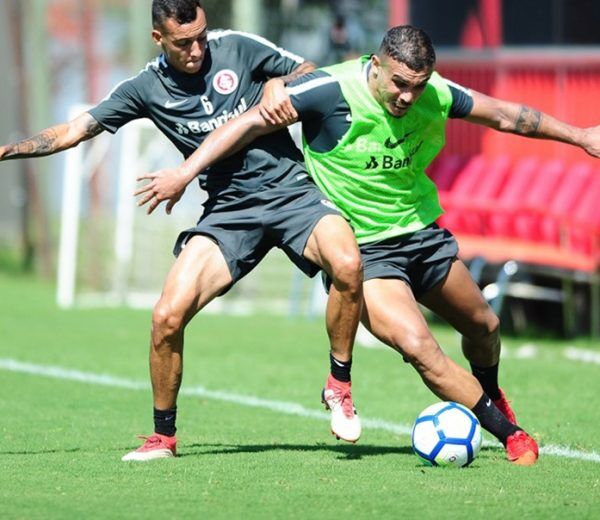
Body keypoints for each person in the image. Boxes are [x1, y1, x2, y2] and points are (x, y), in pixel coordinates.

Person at [136, 25, 600, 466]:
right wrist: (185, 172)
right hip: (366, 251)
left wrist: (580, 136)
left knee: (485, 326)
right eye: (399, 83)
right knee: (419, 346)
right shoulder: (329, 90)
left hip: (421, 234)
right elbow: (248, 124)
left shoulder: (435, 93)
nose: (407, 96)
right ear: (375, 64)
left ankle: (490, 391)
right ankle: (509, 434)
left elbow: (504, 115)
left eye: (417, 87)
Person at [0, 0, 365, 461]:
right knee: (166, 317)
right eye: (182, 43)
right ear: (158, 37)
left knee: (348, 263)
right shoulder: (143, 89)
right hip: (230, 214)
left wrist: (282, 83)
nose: (197, 51)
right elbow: (74, 130)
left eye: (201, 36)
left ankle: (338, 384)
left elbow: (309, 70)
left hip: (290, 192)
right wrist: (10, 150)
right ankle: (163, 438)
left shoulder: (238, 46)